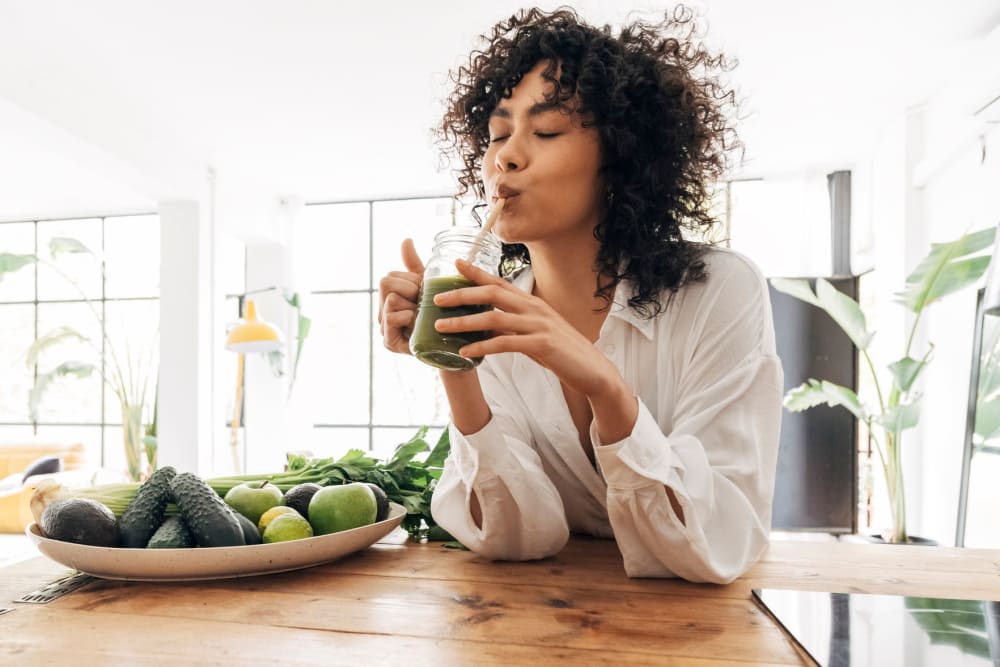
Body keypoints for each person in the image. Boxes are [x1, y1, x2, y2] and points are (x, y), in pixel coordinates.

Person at [377, 6, 783, 583]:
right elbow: (515, 538)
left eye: (545, 131)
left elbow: (720, 542)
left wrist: (605, 386)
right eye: (498, 134)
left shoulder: (719, 291)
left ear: (619, 155)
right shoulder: (492, 310)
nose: (506, 156)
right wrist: (454, 359)